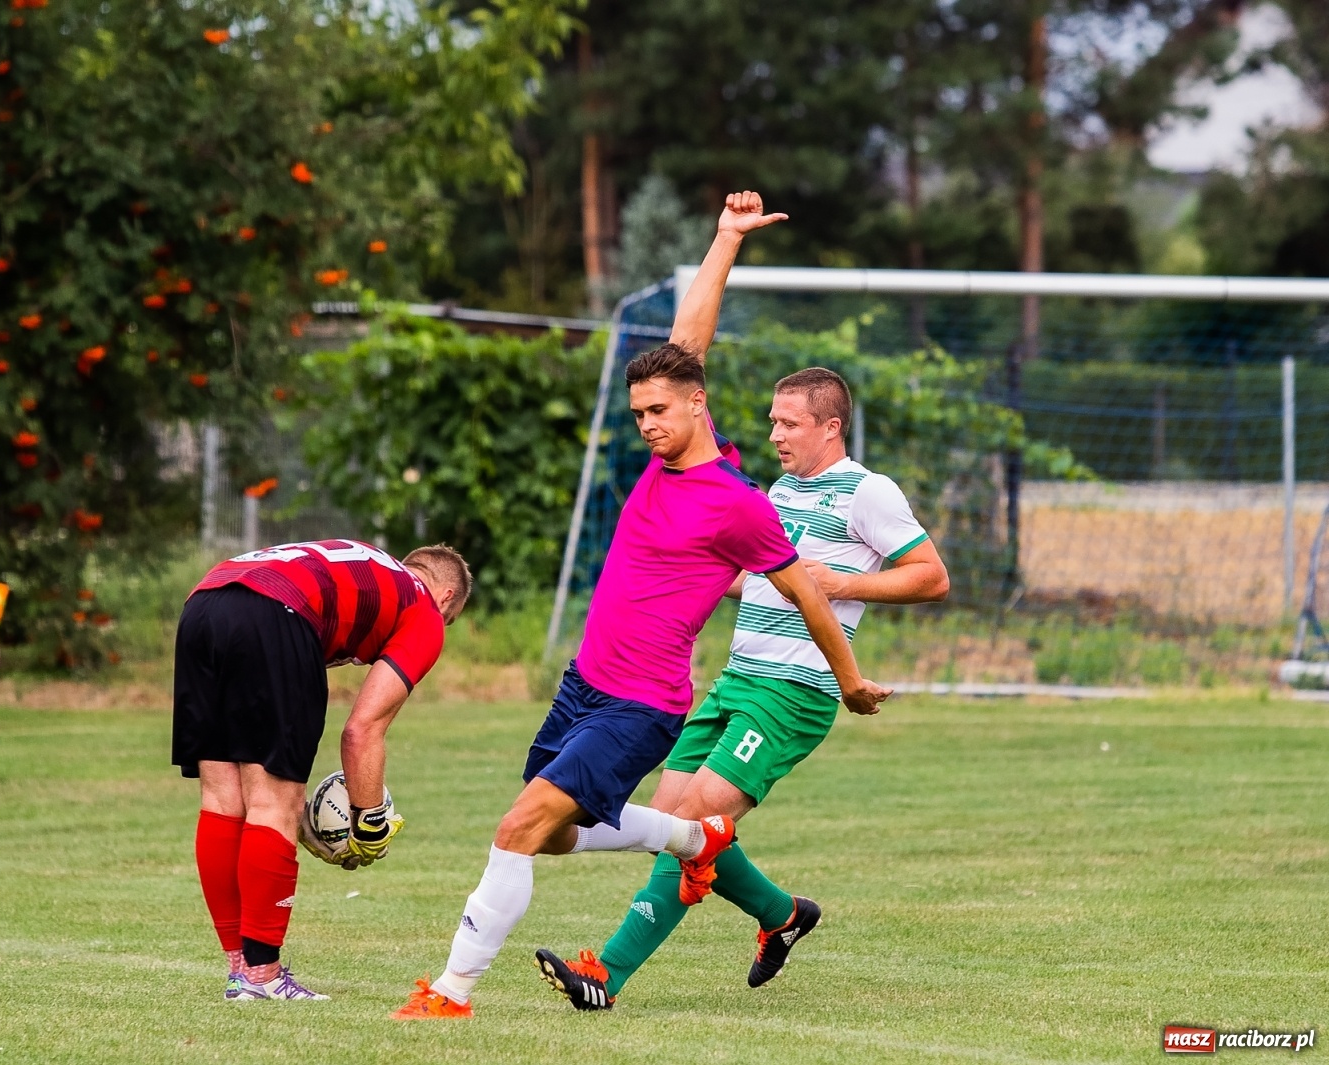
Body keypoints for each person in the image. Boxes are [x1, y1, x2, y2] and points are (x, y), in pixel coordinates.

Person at [390, 192, 892, 1021]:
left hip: (641, 704)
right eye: (639, 414)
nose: (648, 424)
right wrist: (725, 239)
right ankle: (692, 839)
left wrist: (850, 681)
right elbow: (687, 339)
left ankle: (451, 992)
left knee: (517, 827)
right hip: (583, 686)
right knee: (554, 834)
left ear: (697, 405)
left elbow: (806, 590)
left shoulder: (739, 502)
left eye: (660, 410)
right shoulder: (664, 461)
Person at [536, 366, 950, 1010]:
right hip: (735, 680)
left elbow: (931, 577)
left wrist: (840, 583)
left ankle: (606, 976)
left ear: (831, 427)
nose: (775, 435)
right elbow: (759, 577)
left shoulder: (869, 492)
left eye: (790, 424)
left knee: (689, 823)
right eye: (772, 422)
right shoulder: (779, 490)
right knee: (674, 828)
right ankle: (782, 914)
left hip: (791, 693)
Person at [176, 539, 472, 1002]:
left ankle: (240, 971)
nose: (442, 626)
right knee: (273, 801)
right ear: (447, 597)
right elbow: (361, 731)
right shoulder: (424, 608)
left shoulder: (373, 567)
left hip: (205, 601)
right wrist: (369, 825)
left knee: (222, 798)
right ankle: (263, 976)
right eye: (448, 619)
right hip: (277, 609)